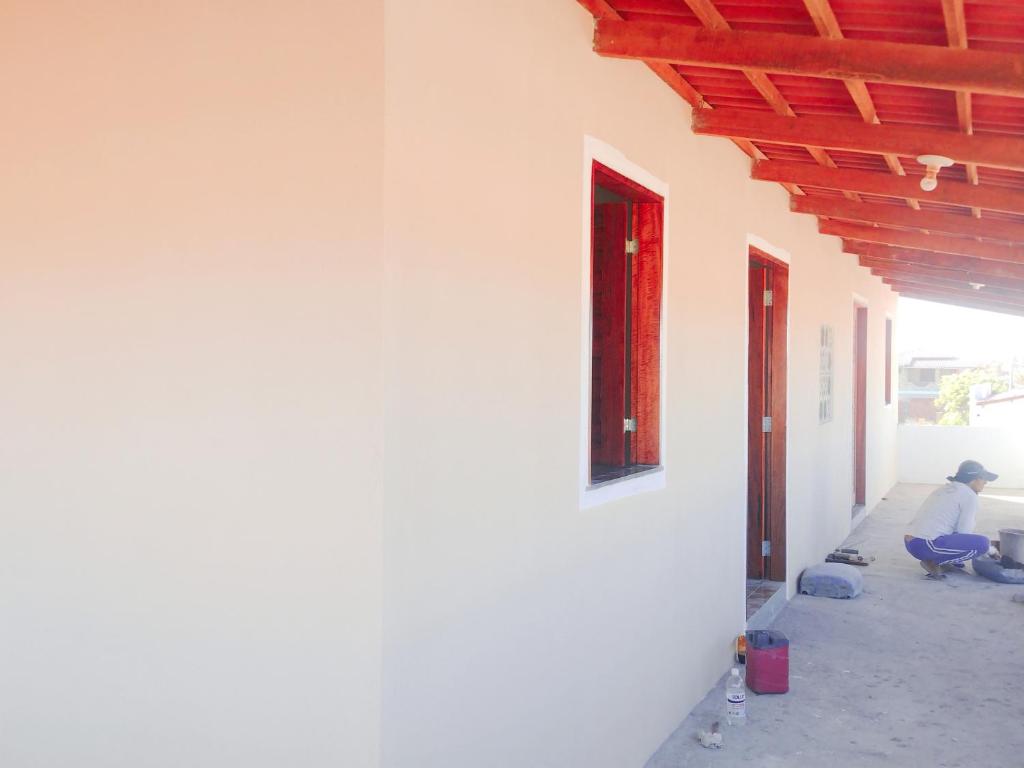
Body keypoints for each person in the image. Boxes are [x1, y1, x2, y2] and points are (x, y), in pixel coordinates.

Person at [904, 460, 998, 579]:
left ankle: (947, 560)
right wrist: (991, 550)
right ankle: (934, 561)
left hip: (910, 542)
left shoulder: (946, 489)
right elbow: (964, 532)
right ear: (974, 479)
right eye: (983, 478)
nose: (986, 482)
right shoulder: (969, 496)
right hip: (925, 545)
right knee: (982, 544)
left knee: (959, 549)